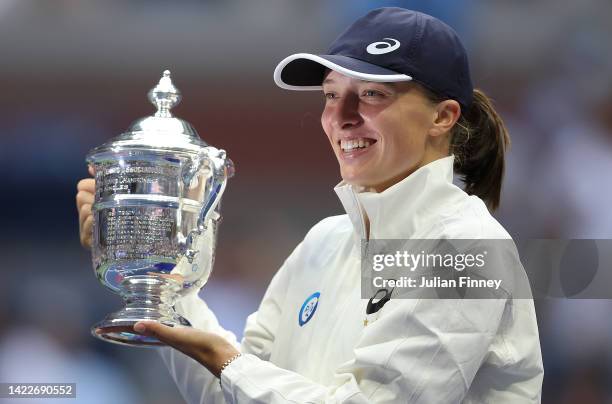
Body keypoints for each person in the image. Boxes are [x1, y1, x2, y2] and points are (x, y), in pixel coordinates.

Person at [76, 7, 543, 403]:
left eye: (373, 94)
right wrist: (159, 278)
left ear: (442, 116)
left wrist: (226, 361)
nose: (341, 119)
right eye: (331, 96)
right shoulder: (324, 241)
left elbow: (243, 374)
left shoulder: (467, 247)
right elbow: (235, 389)